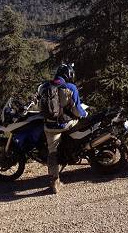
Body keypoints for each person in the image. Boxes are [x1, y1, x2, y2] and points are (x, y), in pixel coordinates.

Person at [39, 63, 87, 194]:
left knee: (52, 152)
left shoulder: (44, 87)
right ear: (69, 75)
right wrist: (84, 114)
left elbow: (40, 108)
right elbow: (77, 110)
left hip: (50, 126)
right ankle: (78, 152)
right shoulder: (71, 87)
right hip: (67, 124)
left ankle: (54, 181)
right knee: (85, 128)